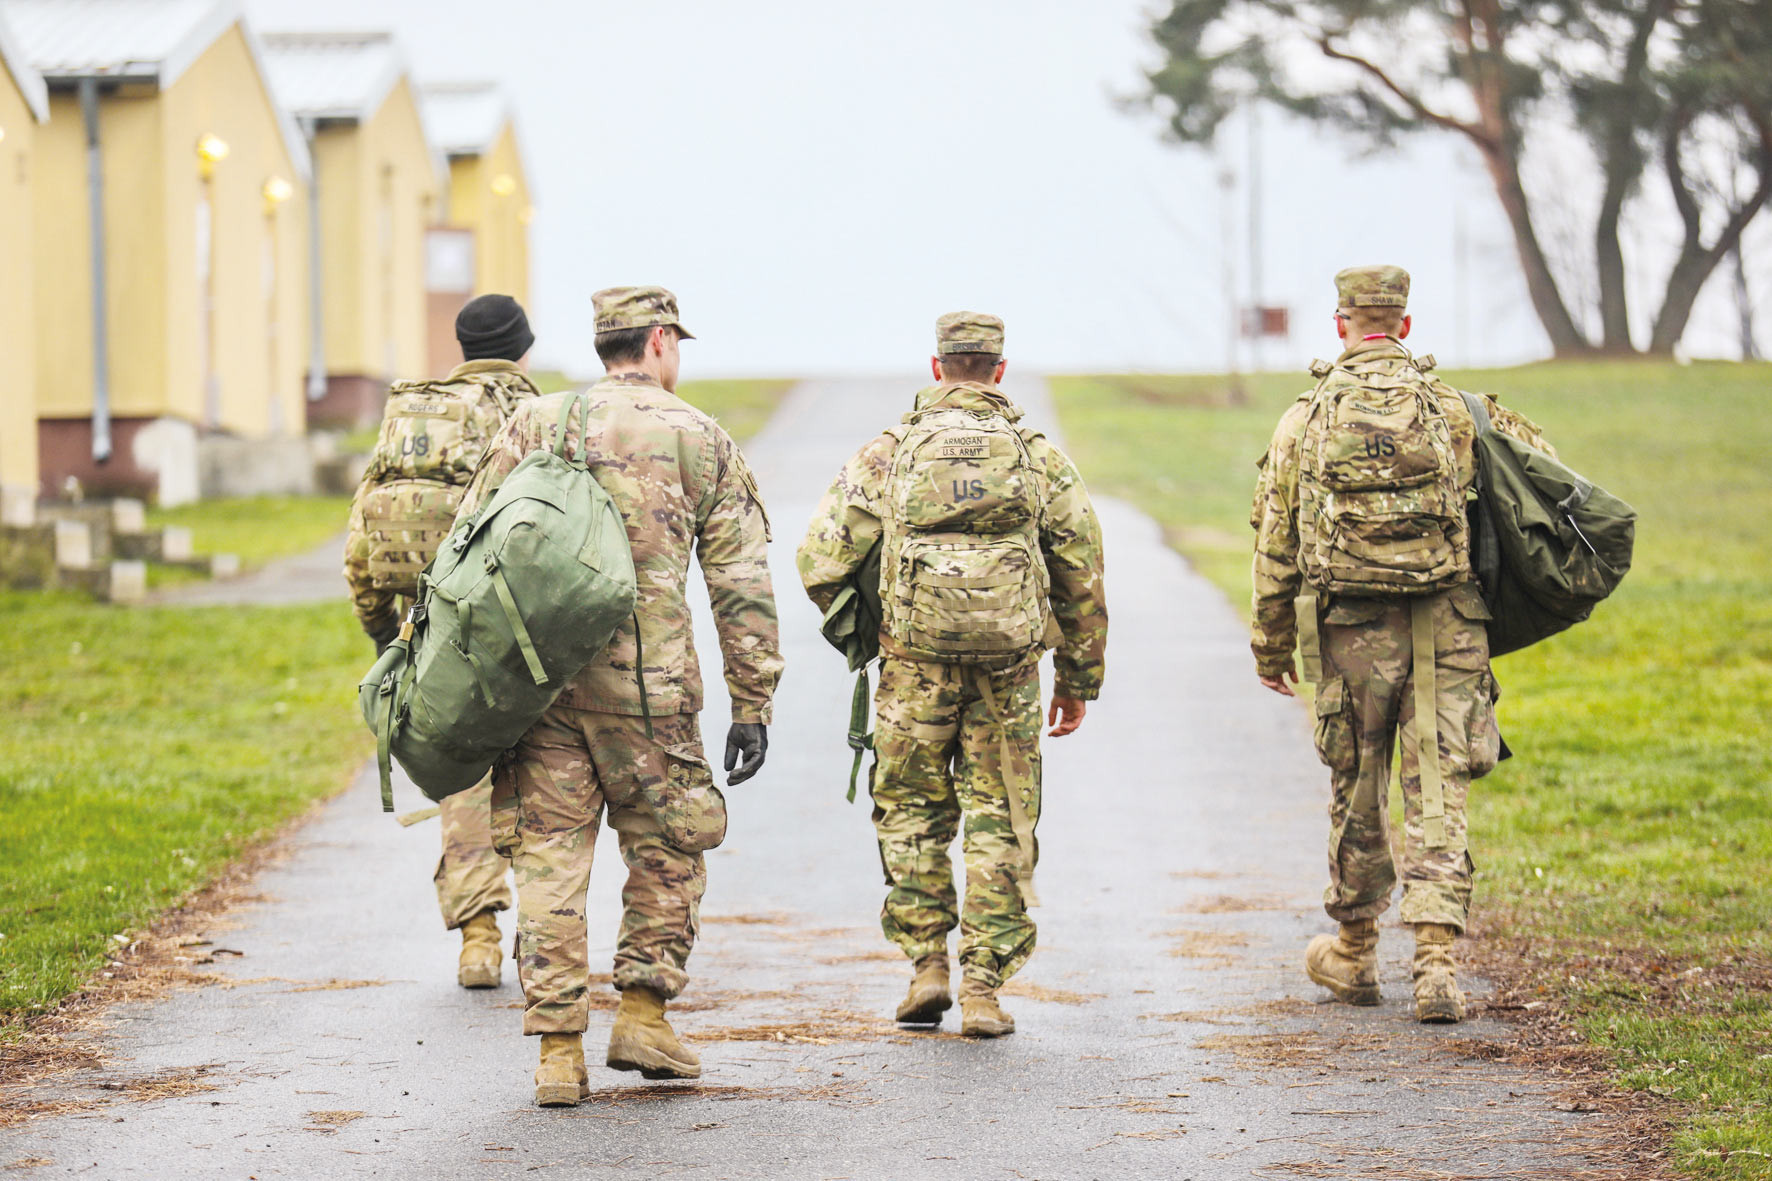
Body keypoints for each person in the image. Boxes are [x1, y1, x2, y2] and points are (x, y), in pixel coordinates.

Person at [454, 286, 782, 1106]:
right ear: (661, 340)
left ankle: (559, 1052)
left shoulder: (538, 424)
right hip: (653, 696)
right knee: (668, 848)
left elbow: (466, 544)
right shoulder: (699, 436)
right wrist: (753, 700)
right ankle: (641, 1012)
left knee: (551, 862)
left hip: (542, 691)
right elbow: (740, 584)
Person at [1250, 265, 1554, 1024]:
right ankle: (1437, 964)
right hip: (1448, 621)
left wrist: (1271, 643)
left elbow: (1276, 543)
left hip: (1352, 629)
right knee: (1437, 787)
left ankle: (1354, 954)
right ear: (1406, 326)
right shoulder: (1453, 409)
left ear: (1341, 323)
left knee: (1358, 786)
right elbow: (1530, 494)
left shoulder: (1306, 417)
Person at [797, 312, 1107, 1038]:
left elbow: (820, 557)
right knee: (1000, 817)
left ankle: (925, 964)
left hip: (914, 669)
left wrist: (871, 630)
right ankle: (985, 987)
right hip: (1009, 675)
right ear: (999, 369)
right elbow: (1082, 570)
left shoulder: (891, 452)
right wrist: (1078, 678)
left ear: (937, 369)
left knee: (911, 812)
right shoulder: (1036, 456)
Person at [343, 293, 542, 992]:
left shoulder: (416, 415)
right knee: (541, 776)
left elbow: (364, 529)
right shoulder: (530, 412)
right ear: (524, 347)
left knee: (465, 776)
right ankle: (544, 942)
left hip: (430, 626)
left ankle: (479, 938)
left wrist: (380, 631)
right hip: (515, 626)